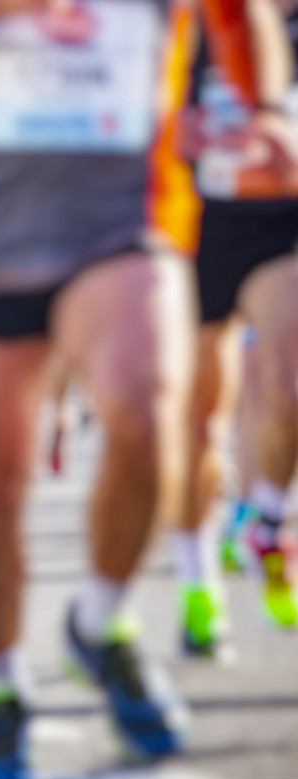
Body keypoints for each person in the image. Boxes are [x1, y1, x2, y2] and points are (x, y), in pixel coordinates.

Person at [0, 0, 298, 779]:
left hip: (127, 223)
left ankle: (100, 620)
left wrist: (266, 107)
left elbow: (245, 16)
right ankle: (2, 692)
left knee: (147, 407)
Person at [172, 0, 298, 656]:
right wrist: (166, 125)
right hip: (193, 220)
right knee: (198, 421)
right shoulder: (180, 18)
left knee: (291, 382)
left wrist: (275, 116)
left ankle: (269, 519)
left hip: (280, 219)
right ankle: (198, 581)